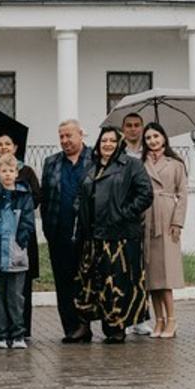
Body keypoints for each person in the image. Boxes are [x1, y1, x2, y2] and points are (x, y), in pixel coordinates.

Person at [74, 126, 153, 343]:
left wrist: (123, 213)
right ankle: (84, 326)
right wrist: (79, 208)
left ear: (119, 144)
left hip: (120, 236)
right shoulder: (91, 166)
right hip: (92, 236)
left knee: (116, 283)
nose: (107, 144)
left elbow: (145, 194)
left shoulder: (131, 165)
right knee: (88, 283)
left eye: (112, 140)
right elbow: (81, 193)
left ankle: (116, 327)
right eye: (104, 140)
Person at [41, 120, 93, 342]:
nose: (64, 140)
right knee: (64, 283)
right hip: (59, 233)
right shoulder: (51, 162)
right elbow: (45, 198)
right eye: (61, 136)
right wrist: (48, 229)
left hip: (87, 233)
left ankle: (86, 324)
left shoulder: (95, 158)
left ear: (81, 135)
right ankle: (71, 328)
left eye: (69, 135)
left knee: (87, 281)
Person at [0, 132, 41, 338]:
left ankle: (21, 329)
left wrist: (21, 194)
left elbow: (36, 198)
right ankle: (1, 330)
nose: (3, 147)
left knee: (20, 288)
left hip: (21, 238)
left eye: (7, 143)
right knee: (1, 290)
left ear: (15, 147)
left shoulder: (26, 171)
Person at [141, 122, 188, 339]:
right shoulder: (140, 163)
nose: (153, 141)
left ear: (164, 138)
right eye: (148, 138)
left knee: (166, 274)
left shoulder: (175, 163)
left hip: (167, 217)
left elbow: (183, 194)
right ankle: (158, 320)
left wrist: (177, 222)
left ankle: (172, 320)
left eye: (156, 136)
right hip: (147, 218)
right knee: (152, 276)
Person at [0, 155, 35, 349]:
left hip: (17, 255)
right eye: (3, 171)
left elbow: (28, 222)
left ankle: (18, 334)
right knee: (0, 297)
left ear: (16, 173)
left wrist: (20, 241)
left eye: (11, 171)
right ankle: (1, 335)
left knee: (16, 297)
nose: (7, 175)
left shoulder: (24, 197)